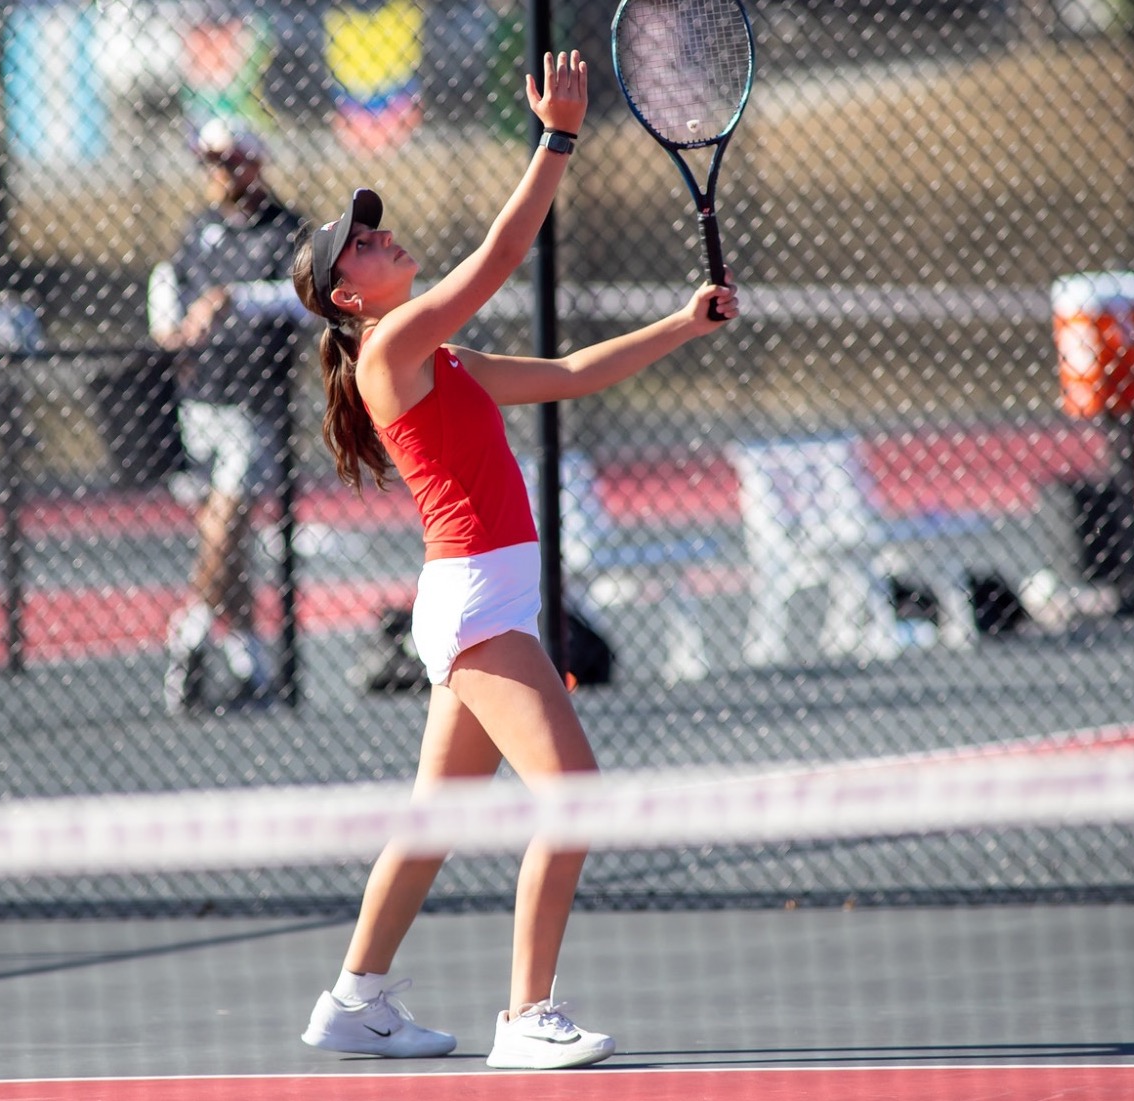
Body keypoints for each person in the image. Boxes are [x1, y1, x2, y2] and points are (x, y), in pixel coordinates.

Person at [290, 51, 737, 1070]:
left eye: (370, 226)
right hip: (477, 607)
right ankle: (526, 1017)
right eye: (358, 245)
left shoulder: (435, 360)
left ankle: (355, 1001)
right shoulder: (388, 350)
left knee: (434, 819)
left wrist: (681, 320)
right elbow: (496, 260)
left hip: (473, 602)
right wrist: (558, 138)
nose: (377, 235)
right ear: (345, 298)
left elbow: (574, 372)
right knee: (571, 796)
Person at [150, 117, 306, 714]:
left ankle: (188, 631)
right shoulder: (201, 227)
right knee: (227, 544)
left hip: (254, 403)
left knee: (224, 525)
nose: (212, 176)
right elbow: (169, 278)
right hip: (199, 401)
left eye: (221, 163)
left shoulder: (285, 230)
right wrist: (167, 322)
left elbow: (310, 300)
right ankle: (252, 666)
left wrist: (238, 297)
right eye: (208, 164)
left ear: (250, 164)